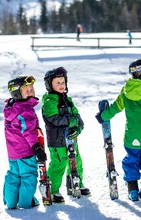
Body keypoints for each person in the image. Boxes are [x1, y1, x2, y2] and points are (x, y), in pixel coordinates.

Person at [95, 57, 141, 201]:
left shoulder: (126, 90)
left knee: (131, 161)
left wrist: (103, 116)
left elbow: (115, 107)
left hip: (131, 138)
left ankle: (133, 191)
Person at [42, 67, 90, 203]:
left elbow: (78, 118)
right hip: (57, 141)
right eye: (57, 83)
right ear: (49, 85)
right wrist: (71, 121)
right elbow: (53, 118)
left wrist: (78, 128)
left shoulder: (68, 100)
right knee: (59, 164)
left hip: (71, 139)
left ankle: (74, 184)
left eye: (63, 82)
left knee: (77, 162)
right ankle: (52, 191)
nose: (61, 85)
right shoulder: (49, 101)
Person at [3, 76, 47, 209]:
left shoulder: (10, 109)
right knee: (28, 176)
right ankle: (25, 204)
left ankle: (11, 203)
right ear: (17, 93)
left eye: (31, 89)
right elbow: (28, 131)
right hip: (26, 151)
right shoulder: (26, 110)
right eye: (26, 90)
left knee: (14, 176)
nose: (30, 92)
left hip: (13, 153)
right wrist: (37, 148)